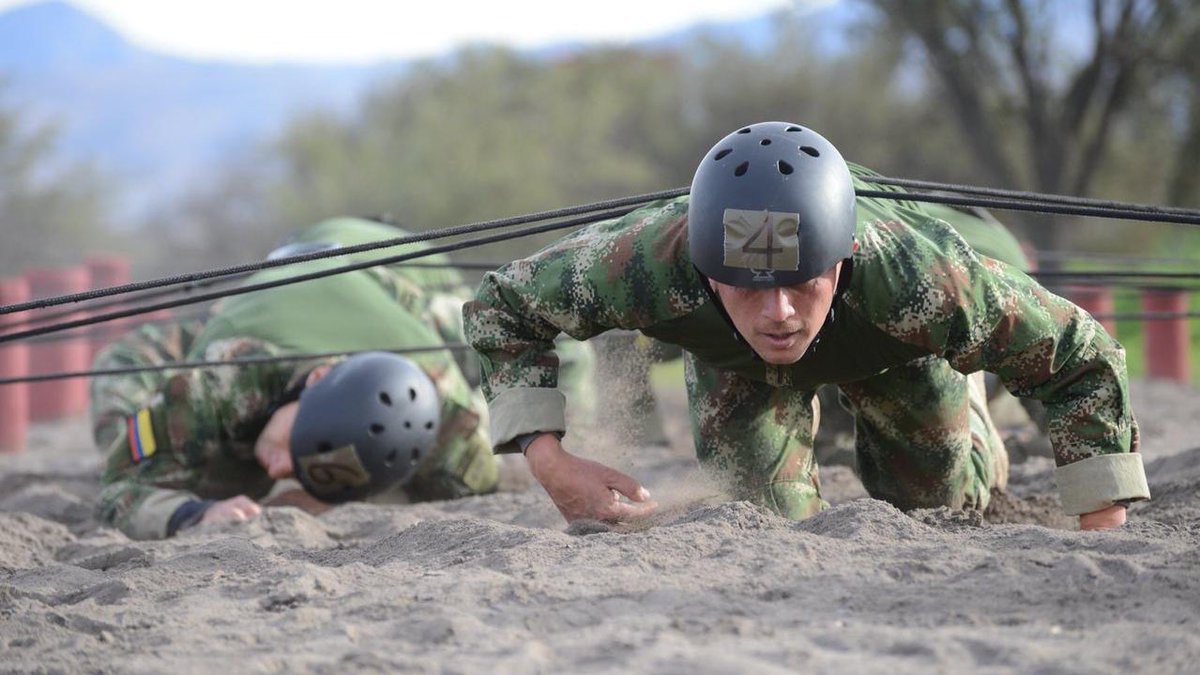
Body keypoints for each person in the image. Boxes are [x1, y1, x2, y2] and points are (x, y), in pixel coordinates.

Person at [464, 121, 1150, 530]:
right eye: (748, 286)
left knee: (939, 505)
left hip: (890, 347)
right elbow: (504, 306)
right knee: (769, 523)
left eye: (801, 281)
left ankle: (972, 421)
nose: (779, 313)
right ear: (703, 268)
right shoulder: (647, 261)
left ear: (843, 255)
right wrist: (548, 460)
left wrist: (1101, 517)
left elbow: (1081, 356)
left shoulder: (919, 275)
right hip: (733, 366)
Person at [91, 216, 594, 540]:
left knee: (519, 369)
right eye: (299, 443)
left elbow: (553, 340)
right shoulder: (219, 380)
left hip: (398, 286)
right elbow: (119, 491)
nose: (282, 468)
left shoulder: (451, 430)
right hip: (329, 266)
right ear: (316, 383)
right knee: (122, 374)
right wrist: (190, 514)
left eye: (309, 466)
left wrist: (571, 430)